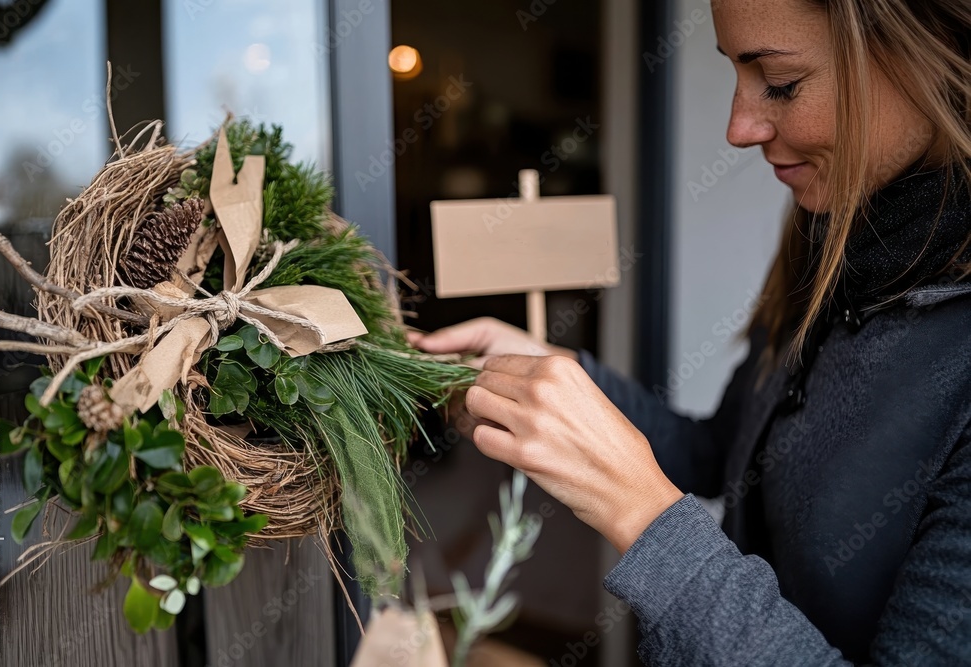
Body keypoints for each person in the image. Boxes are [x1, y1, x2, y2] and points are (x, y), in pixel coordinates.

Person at [407, 0, 971, 664]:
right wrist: (562, 372)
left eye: (781, 83)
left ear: (926, 54)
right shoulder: (834, 241)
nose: (739, 127)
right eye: (735, 73)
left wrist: (643, 514)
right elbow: (720, 451)